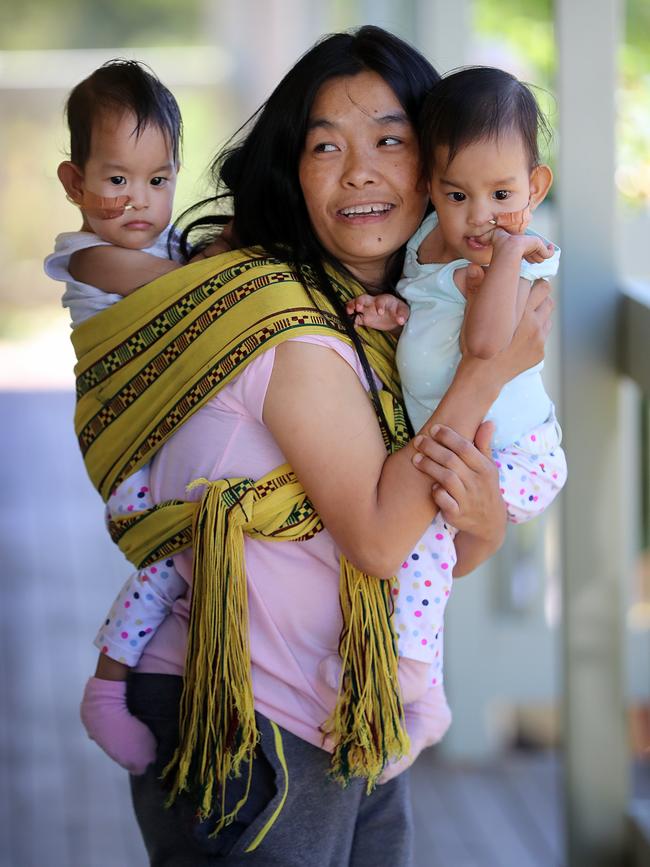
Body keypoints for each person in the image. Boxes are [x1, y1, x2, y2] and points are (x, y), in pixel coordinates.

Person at [70, 26, 555, 866]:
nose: (359, 169)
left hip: (351, 709)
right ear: (293, 171)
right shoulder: (281, 320)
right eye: (324, 145)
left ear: (439, 168)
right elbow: (376, 536)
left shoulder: (402, 329)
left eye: (390, 141)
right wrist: (491, 367)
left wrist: (485, 518)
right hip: (244, 715)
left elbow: (435, 546)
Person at [341, 66, 567, 748]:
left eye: (502, 193)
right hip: (469, 438)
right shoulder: (425, 245)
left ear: (535, 187)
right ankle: (425, 688)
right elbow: (434, 311)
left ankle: (415, 670)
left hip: (517, 452)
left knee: (423, 531)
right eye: (456, 194)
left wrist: (504, 258)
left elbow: (487, 343)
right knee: (421, 529)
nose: (479, 216)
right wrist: (394, 310)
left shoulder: (525, 257)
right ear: (429, 189)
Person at [44, 59, 228, 773]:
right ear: (73, 182)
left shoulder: (167, 247)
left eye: (159, 180)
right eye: (118, 179)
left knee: (184, 560)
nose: (140, 201)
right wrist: (231, 258)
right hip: (123, 440)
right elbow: (183, 286)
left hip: (164, 435)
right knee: (170, 561)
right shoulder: (89, 256)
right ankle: (108, 686)